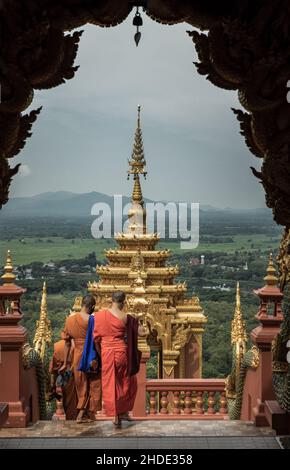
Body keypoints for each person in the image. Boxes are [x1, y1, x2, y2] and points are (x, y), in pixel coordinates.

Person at [93, 290, 146, 426]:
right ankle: (123, 412)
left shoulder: (98, 316)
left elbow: (95, 339)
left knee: (111, 384)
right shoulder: (126, 317)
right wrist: (138, 320)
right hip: (122, 353)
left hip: (106, 353)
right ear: (124, 302)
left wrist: (100, 353)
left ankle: (115, 415)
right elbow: (142, 333)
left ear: (111, 300)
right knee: (127, 382)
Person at [60, 294, 102, 423]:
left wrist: (65, 363)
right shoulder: (92, 320)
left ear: (82, 304)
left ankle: (85, 415)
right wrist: (101, 356)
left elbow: (67, 343)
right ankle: (82, 414)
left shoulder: (69, 320)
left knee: (81, 385)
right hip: (91, 357)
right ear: (92, 306)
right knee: (93, 384)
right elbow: (95, 342)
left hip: (76, 357)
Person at [49, 339, 78, 420]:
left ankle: (71, 420)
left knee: (69, 402)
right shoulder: (82, 344)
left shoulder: (58, 346)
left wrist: (53, 385)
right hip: (79, 374)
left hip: (67, 376)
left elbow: (54, 370)